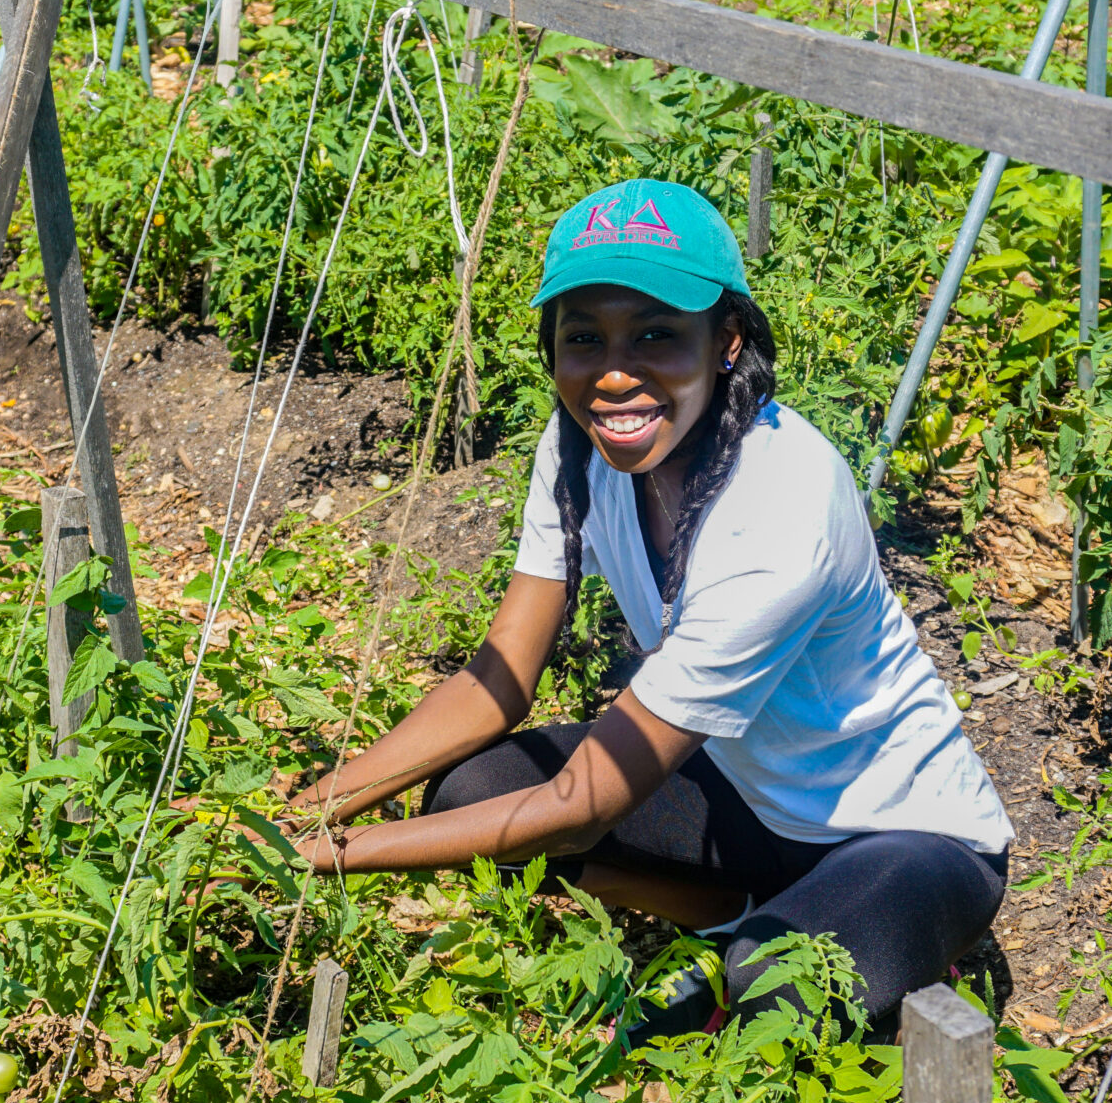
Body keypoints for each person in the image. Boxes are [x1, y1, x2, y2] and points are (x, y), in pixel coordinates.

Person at [285, 178, 1012, 1043]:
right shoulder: (579, 446)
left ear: (728, 343)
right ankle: (732, 914)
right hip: (746, 801)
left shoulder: (780, 507)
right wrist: (315, 806)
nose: (615, 372)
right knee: (469, 790)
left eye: (658, 335)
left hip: (905, 835)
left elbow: (584, 802)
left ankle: (913, 954)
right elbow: (500, 679)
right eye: (584, 337)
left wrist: (337, 857)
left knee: (774, 989)